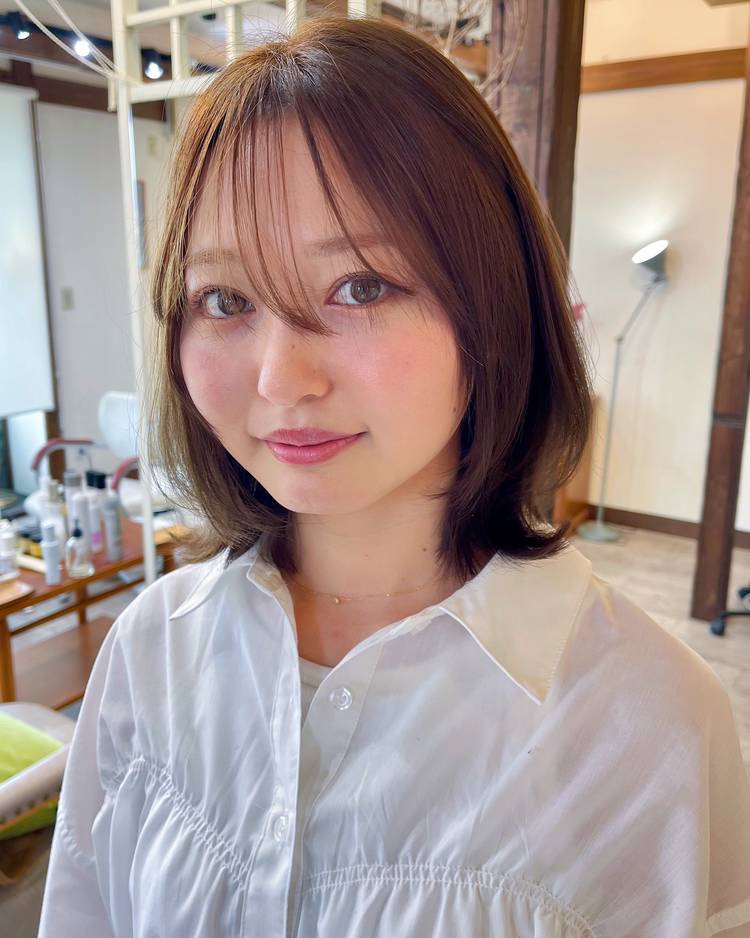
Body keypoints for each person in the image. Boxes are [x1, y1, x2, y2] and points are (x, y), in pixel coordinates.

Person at [38, 14, 750, 938]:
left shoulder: (649, 727)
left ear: (493, 305)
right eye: (226, 299)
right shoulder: (149, 651)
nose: (281, 380)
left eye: (360, 286)